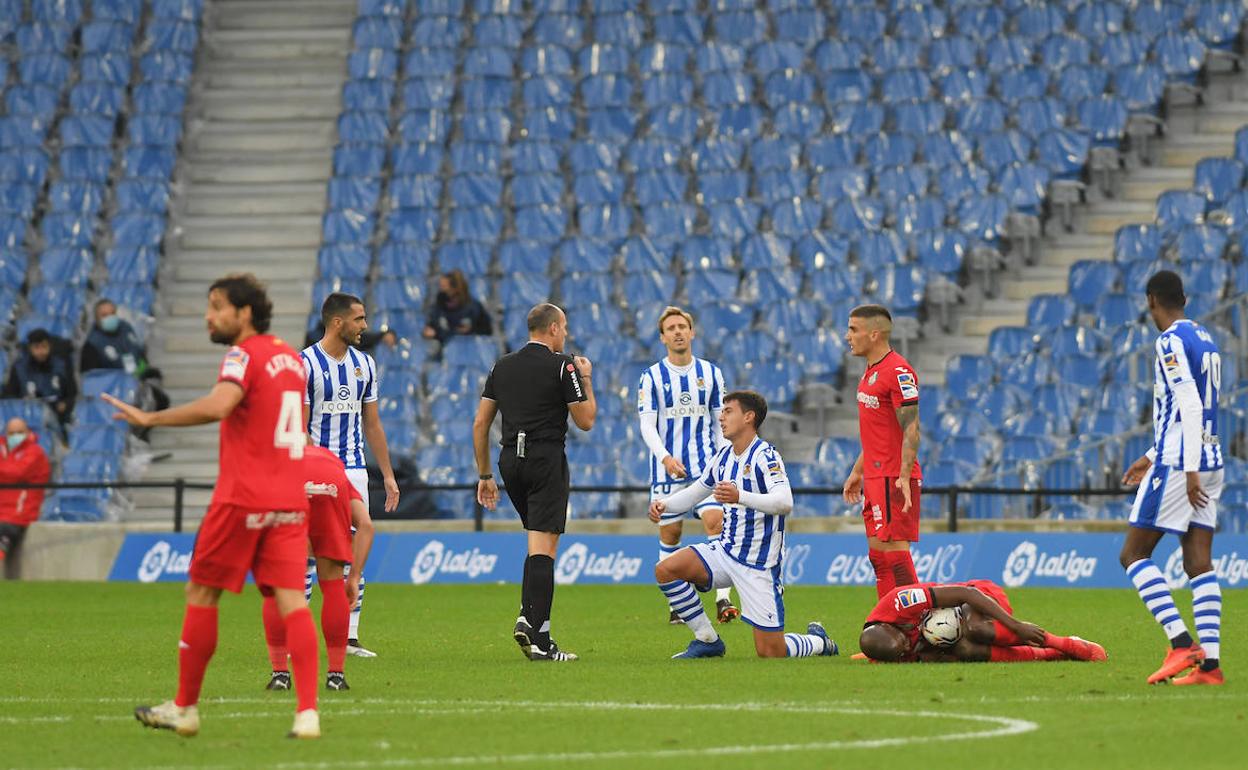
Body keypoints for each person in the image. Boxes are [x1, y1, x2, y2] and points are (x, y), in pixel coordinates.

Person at [103, 273, 322, 739]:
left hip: (243, 496)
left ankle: (185, 707)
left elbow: (222, 405)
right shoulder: (289, 356)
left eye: (217, 306)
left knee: (202, 595)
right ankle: (307, 713)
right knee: (292, 603)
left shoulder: (242, 354)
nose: (209, 316)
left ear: (244, 314)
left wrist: (152, 417)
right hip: (288, 497)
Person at [649, 391, 837, 660]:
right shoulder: (723, 456)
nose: (721, 417)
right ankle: (707, 640)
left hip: (758, 565)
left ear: (749, 417)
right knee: (666, 570)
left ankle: (818, 642)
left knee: (771, 652)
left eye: (728, 411)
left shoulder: (766, 456)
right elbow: (697, 491)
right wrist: (664, 505)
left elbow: (785, 502)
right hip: (725, 553)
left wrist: (741, 497)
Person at [1119, 270, 1226, 686]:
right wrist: (1149, 456)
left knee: (1133, 555)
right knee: (1198, 562)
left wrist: (1189, 468)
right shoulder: (1205, 337)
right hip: (1211, 457)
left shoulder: (1169, 341)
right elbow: (1198, 409)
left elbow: (1188, 404)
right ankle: (1211, 668)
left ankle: (1181, 644)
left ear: (1151, 301)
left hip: (1185, 463)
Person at [473, 303, 595, 662]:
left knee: (539, 545)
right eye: (565, 328)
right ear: (554, 328)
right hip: (545, 458)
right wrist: (585, 377)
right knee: (544, 547)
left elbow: (481, 425)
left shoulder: (501, 366)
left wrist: (484, 475)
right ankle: (531, 623)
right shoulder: (564, 366)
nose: (567, 335)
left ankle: (540, 635)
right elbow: (586, 420)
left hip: (510, 462)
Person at [300, 292, 400, 659]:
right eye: (359, 319)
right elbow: (300, 423)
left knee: (354, 550)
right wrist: (309, 466)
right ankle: (300, 633)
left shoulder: (365, 365)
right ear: (338, 322)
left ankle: (349, 637)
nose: (365, 326)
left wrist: (387, 474)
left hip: (354, 469)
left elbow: (372, 423)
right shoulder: (306, 364)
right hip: (315, 467)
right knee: (308, 553)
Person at [638, 306, 738, 624]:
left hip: (706, 469)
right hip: (667, 471)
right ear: (662, 337)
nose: (678, 332)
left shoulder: (710, 374)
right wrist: (665, 457)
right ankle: (678, 604)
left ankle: (723, 600)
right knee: (671, 534)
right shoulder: (651, 377)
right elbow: (647, 425)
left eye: (683, 326)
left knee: (716, 523)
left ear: (692, 333)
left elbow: (719, 421)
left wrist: (725, 461)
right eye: (671, 328)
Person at [264, 445, 375, 693]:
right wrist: (354, 577)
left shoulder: (280, 458)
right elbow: (366, 525)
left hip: (287, 481)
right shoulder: (333, 464)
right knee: (334, 584)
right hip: (331, 485)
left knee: (277, 587)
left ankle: (280, 674)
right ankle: (336, 676)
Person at [841, 305, 922, 599]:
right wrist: (858, 471)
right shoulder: (870, 372)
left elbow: (911, 428)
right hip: (875, 476)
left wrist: (903, 476)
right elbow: (880, 432)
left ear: (874, 334)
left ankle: (916, 625)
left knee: (896, 557)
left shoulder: (898, 371)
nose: (847, 336)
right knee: (878, 558)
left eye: (853, 329)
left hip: (893, 477)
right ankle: (889, 629)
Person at [859, 580, 1106, 663]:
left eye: (904, 642)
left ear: (890, 626)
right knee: (967, 650)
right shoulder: (891, 652)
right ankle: (1053, 655)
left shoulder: (900, 603)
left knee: (977, 629)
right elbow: (934, 657)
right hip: (952, 630)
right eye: (903, 651)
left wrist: (1015, 625)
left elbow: (968, 595)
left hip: (979, 595)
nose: (907, 648)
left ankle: (1063, 643)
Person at [81, 299, 170, 412]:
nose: (110, 318)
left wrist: (141, 371)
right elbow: (93, 379)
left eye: (112, 313)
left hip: (136, 380)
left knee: (161, 399)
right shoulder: (92, 344)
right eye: (104, 315)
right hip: (113, 390)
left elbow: (140, 355)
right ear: (97, 319)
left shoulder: (126, 328)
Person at [0, 417, 50, 580]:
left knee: (4, 532)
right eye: (12, 433)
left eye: (20, 432)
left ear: (28, 432)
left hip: (20, 512)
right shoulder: (2, 449)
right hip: (3, 511)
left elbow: (16, 473)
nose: (15, 436)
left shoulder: (35, 452)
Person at [3, 328, 76, 429]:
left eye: (44, 347)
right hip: (27, 421)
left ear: (50, 346)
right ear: (30, 348)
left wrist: (65, 405)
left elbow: (72, 394)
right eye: (36, 347)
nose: (41, 352)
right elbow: (10, 397)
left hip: (58, 421)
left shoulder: (62, 366)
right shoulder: (19, 369)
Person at [423, 269, 492, 343]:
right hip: (445, 348)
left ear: (455, 288)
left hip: (469, 346)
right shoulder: (438, 306)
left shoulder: (473, 307)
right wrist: (431, 332)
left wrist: (471, 330)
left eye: (444, 286)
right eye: (441, 286)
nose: (441, 289)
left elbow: (487, 330)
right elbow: (432, 328)